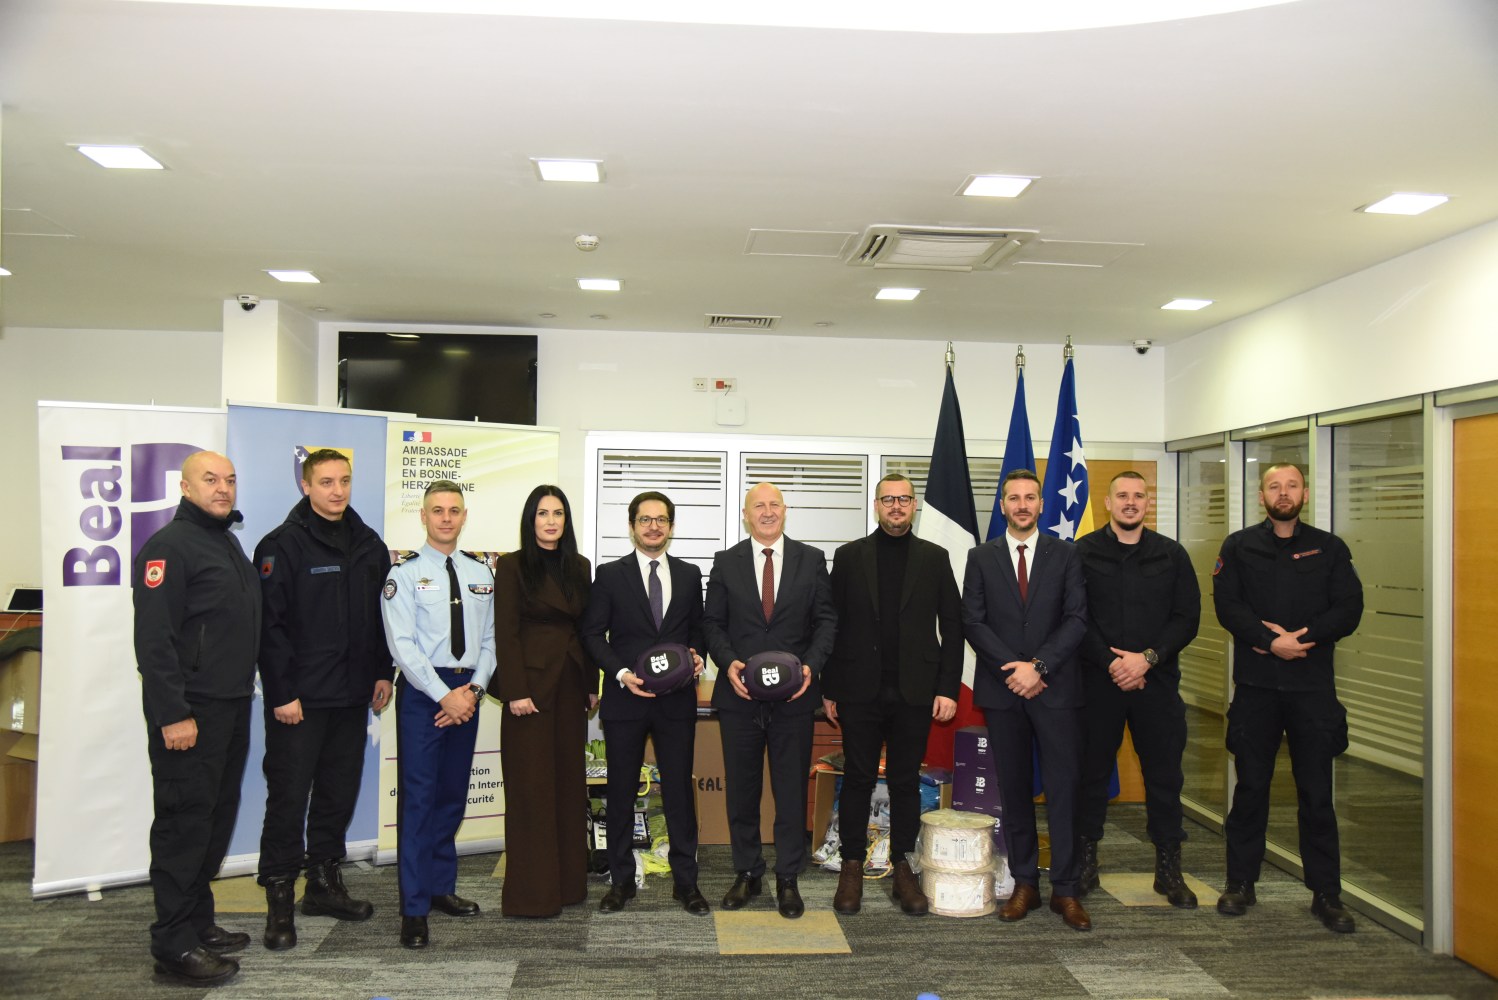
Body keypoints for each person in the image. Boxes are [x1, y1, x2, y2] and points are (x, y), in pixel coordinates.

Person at [1212, 462, 1364, 933]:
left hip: (1312, 689)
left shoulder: (1330, 548)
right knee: (1250, 790)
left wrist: (1305, 638)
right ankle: (1240, 883)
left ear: (1304, 494)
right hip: (1256, 689)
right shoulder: (1238, 546)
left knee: (1316, 795)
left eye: (1292, 486)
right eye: (1275, 486)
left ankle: (1326, 894)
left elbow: (1349, 607)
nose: (1283, 493)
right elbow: (1227, 605)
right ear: (1261, 496)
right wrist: (1268, 640)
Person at [253, 449, 393, 950]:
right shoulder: (281, 545)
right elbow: (269, 627)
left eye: (345, 481)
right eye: (327, 482)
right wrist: (282, 692)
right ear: (306, 486)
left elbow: (381, 619)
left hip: (352, 697)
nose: (337, 491)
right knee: (289, 799)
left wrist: (383, 672)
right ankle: (279, 899)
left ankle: (323, 885)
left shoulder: (369, 544)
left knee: (337, 795)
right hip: (300, 702)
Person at [132, 451, 260, 985]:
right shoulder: (169, 546)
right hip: (191, 712)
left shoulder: (225, 541)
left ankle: (197, 922)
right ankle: (174, 944)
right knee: (184, 825)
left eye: (229, 479)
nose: (222, 488)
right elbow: (154, 641)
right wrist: (173, 714)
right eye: (210, 479)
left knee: (213, 820)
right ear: (185, 488)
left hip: (230, 705)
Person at [823, 473, 962, 917]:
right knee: (858, 778)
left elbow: (953, 626)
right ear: (876, 506)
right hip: (859, 690)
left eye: (903, 499)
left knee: (904, 781)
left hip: (915, 691)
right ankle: (851, 865)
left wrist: (947, 688)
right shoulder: (849, 556)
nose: (896, 506)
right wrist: (829, 688)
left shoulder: (935, 557)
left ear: (914, 505)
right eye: (888, 499)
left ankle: (902, 866)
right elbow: (832, 623)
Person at [961, 468, 1092, 931]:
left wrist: (1038, 667)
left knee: (1063, 790)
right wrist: (1014, 669)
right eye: (1013, 498)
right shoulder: (981, 556)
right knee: (1014, 790)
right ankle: (1025, 883)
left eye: (1029, 497)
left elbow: (1077, 618)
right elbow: (973, 621)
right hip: (1004, 691)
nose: (1021, 505)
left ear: (1041, 504)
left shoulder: (1067, 554)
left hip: (1055, 690)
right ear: (1002, 506)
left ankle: (1066, 889)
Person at [703, 482, 836, 919]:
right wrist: (729, 664)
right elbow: (712, 624)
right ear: (745, 514)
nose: (766, 511)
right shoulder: (726, 561)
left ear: (785, 510)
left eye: (773, 504)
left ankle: (788, 877)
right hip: (740, 695)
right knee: (741, 791)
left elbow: (826, 622)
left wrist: (810, 667)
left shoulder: (811, 559)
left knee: (790, 790)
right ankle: (747, 872)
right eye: (757, 505)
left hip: (793, 697)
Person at [1074, 471, 1201, 908]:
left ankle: (1169, 870)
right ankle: (1086, 862)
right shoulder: (1082, 552)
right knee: (1090, 776)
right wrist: (1113, 663)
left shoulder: (1172, 554)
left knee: (1164, 778)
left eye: (1139, 496)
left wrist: (1147, 658)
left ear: (1148, 503)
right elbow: (1075, 616)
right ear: (1107, 503)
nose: (1131, 502)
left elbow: (1187, 618)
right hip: (1099, 684)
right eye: (1122, 495)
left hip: (1156, 685)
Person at [579, 491, 709, 915]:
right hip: (625, 699)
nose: (653, 527)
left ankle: (686, 882)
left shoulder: (689, 575)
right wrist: (620, 673)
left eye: (661, 520)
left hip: (675, 701)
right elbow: (592, 634)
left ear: (671, 526)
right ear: (632, 526)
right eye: (645, 519)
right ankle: (620, 881)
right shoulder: (609, 575)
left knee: (679, 792)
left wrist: (697, 656)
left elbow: (698, 630)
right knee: (620, 791)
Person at [381, 480, 496, 949]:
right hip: (423, 694)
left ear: (464, 516)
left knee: (451, 794)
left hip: (467, 691)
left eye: (453, 510)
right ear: (424, 516)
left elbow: (490, 641)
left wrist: (474, 691)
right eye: (437, 510)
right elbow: (401, 645)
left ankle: (440, 887)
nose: (446, 518)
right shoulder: (404, 574)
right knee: (419, 800)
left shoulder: (481, 572)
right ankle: (413, 908)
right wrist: (443, 696)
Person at [493, 484, 599, 918]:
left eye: (558, 513)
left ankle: (569, 886)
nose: (551, 521)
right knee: (531, 789)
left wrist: (592, 682)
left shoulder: (580, 565)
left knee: (568, 786)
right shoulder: (512, 565)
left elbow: (587, 629)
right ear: (530, 520)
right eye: (542, 513)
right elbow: (505, 632)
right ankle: (532, 896)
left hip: (571, 685)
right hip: (530, 690)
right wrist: (515, 690)